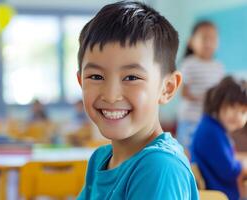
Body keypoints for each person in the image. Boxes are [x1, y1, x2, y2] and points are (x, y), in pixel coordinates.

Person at [76, 1, 198, 199]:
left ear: (167, 88)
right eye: (96, 77)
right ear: (81, 81)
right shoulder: (100, 159)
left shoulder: (159, 166)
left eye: (131, 77)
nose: (111, 95)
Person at [190, 76, 247, 200]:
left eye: (243, 112)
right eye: (232, 107)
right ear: (219, 103)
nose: (237, 116)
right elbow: (230, 171)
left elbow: (227, 158)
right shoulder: (211, 132)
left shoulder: (214, 127)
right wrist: (242, 165)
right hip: (220, 194)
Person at [177, 21, 224, 149]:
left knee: (206, 150)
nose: (208, 43)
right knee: (188, 151)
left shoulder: (218, 67)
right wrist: (203, 97)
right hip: (190, 118)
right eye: (204, 38)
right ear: (191, 42)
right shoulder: (188, 63)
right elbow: (183, 92)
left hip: (210, 118)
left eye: (213, 39)